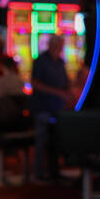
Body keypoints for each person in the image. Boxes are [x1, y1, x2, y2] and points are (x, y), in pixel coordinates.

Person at [30, 33, 75, 181]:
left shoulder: (60, 62)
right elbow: (35, 84)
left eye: (61, 46)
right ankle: (39, 173)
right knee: (42, 140)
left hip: (58, 108)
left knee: (55, 140)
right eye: (57, 45)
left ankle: (54, 171)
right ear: (50, 45)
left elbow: (66, 82)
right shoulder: (41, 61)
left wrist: (69, 92)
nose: (60, 48)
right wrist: (59, 93)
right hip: (43, 106)